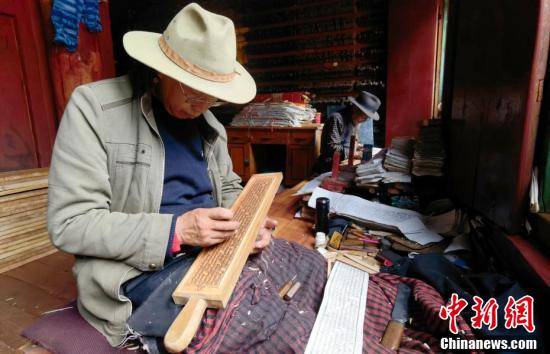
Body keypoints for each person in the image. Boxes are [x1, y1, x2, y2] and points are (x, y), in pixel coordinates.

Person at [47, 4, 325, 353]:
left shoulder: (209, 124)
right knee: (265, 316)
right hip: (139, 270)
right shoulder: (94, 109)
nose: (202, 104)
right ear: (161, 71)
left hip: (211, 250)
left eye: (213, 96)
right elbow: (70, 224)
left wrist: (246, 223)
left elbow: (227, 186)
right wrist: (177, 231)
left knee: (310, 266)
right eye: (194, 91)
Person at [315, 91, 381, 173]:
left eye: (368, 117)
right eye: (365, 116)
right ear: (355, 108)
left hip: (344, 162)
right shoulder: (337, 118)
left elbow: (349, 143)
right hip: (328, 167)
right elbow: (331, 148)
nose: (366, 119)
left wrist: (358, 147)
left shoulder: (355, 120)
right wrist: (353, 153)